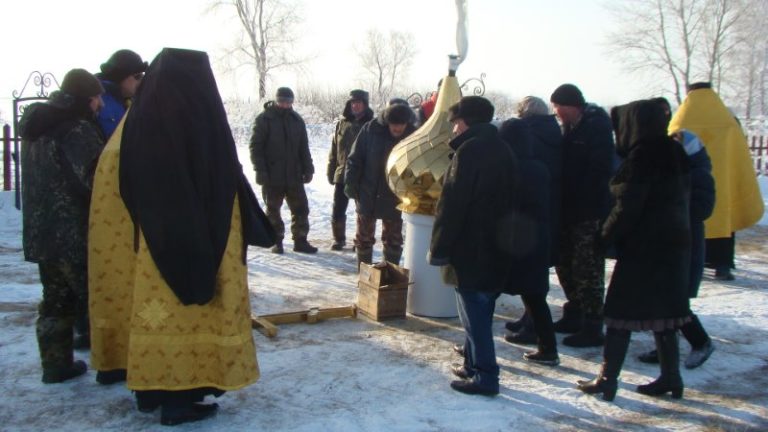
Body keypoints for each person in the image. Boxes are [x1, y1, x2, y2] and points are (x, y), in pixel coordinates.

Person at [118, 48, 274, 426]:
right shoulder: (192, 118)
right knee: (188, 318)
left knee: (159, 319)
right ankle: (178, 401)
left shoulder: (143, 117)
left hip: (157, 242)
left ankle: (157, 392)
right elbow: (214, 177)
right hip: (198, 241)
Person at [578, 99, 691, 402]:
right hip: (675, 246)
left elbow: (627, 207)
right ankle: (671, 377)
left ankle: (607, 380)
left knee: (619, 315)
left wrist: (603, 237)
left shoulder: (642, 157)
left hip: (645, 249)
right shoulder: (675, 151)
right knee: (665, 315)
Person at [19, 68, 105, 383]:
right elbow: (97, 179)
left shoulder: (37, 127)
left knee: (55, 301)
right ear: (85, 99)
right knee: (99, 298)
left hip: (41, 232)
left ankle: (55, 364)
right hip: (75, 233)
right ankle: (113, 364)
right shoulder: (76, 130)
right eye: (96, 98)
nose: (100, 105)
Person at [429, 96, 519, 396]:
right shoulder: (503, 148)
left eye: (455, 122)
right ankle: (471, 364)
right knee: (482, 308)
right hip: (498, 246)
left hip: (472, 247)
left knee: (474, 314)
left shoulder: (469, 151)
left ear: (466, 121)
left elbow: (452, 204)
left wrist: (440, 247)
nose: (454, 128)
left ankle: (486, 376)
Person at [634, 97, 716, 369]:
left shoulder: (697, 173)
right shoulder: (672, 163)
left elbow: (702, 207)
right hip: (666, 238)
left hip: (684, 240)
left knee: (674, 298)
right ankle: (664, 348)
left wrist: (673, 208)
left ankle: (701, 341)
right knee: (661, 295)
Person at [669, 82, 764, 281]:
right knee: (723, 222)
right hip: (723, 184)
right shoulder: (728, 121)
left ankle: (693, 263)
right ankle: (722, 266)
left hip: (692, 183)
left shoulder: (680, 119)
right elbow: (740, 155)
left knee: (693, 223)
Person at [549, 84, 615, 348]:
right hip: (567, 210)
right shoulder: (570, 127)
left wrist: (580, 195)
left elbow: (599, 171)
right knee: (565, 264)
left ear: (570, 106)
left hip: (589, 211)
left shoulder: (596, 127)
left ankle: (593, 325)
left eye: (557, 107)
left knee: (587, 268)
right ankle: (574, 314)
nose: (556, 112)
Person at [500, 96, 563, 345]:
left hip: (523, 231)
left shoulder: (517, 165)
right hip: (544, 223)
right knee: (534, 289)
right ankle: (536, 331)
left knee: (529, 289)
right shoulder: (551, 138)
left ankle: (539, 337)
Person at [344, 103, 416, 267]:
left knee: (393, 239)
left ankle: (389, 274)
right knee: (363, 238)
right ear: (387, 122)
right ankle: (364, 274)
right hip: (368, 191)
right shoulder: (370, 130)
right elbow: (355, 158)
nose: (397, 129)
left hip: (396, 194)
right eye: (394, 125)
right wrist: (350, 181)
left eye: (401, 125)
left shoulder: (413, 134)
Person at [250, 86, 317, 254]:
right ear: (276, 100)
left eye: (288, 101)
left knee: (301, 209)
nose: (285, 104)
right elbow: (255, 148)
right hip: (272, 175)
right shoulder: (264, 119)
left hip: (294, 175)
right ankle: (276, 241)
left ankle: (300, 240)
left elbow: (303, 147)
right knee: (273, 210)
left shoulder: (297, 120)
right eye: (281, 101)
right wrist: (260, 170)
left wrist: (308, 168)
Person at [326, 90, 374, 250]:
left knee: (363, 210)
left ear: (365, 104)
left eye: (359, 102)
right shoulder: (342, 123)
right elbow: (334, 149)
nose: (355, 106)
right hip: (342, 173)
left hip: (362, 176)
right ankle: (338, 239)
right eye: (353, 102)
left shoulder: (371, 125)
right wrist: (331, 169)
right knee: (338, 207)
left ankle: (361, 240)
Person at [95, 49, 148, 139]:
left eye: (143, 75)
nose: (141, 81)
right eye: (137, 76)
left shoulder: (129, 101)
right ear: (120, 76)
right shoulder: (100, 101)